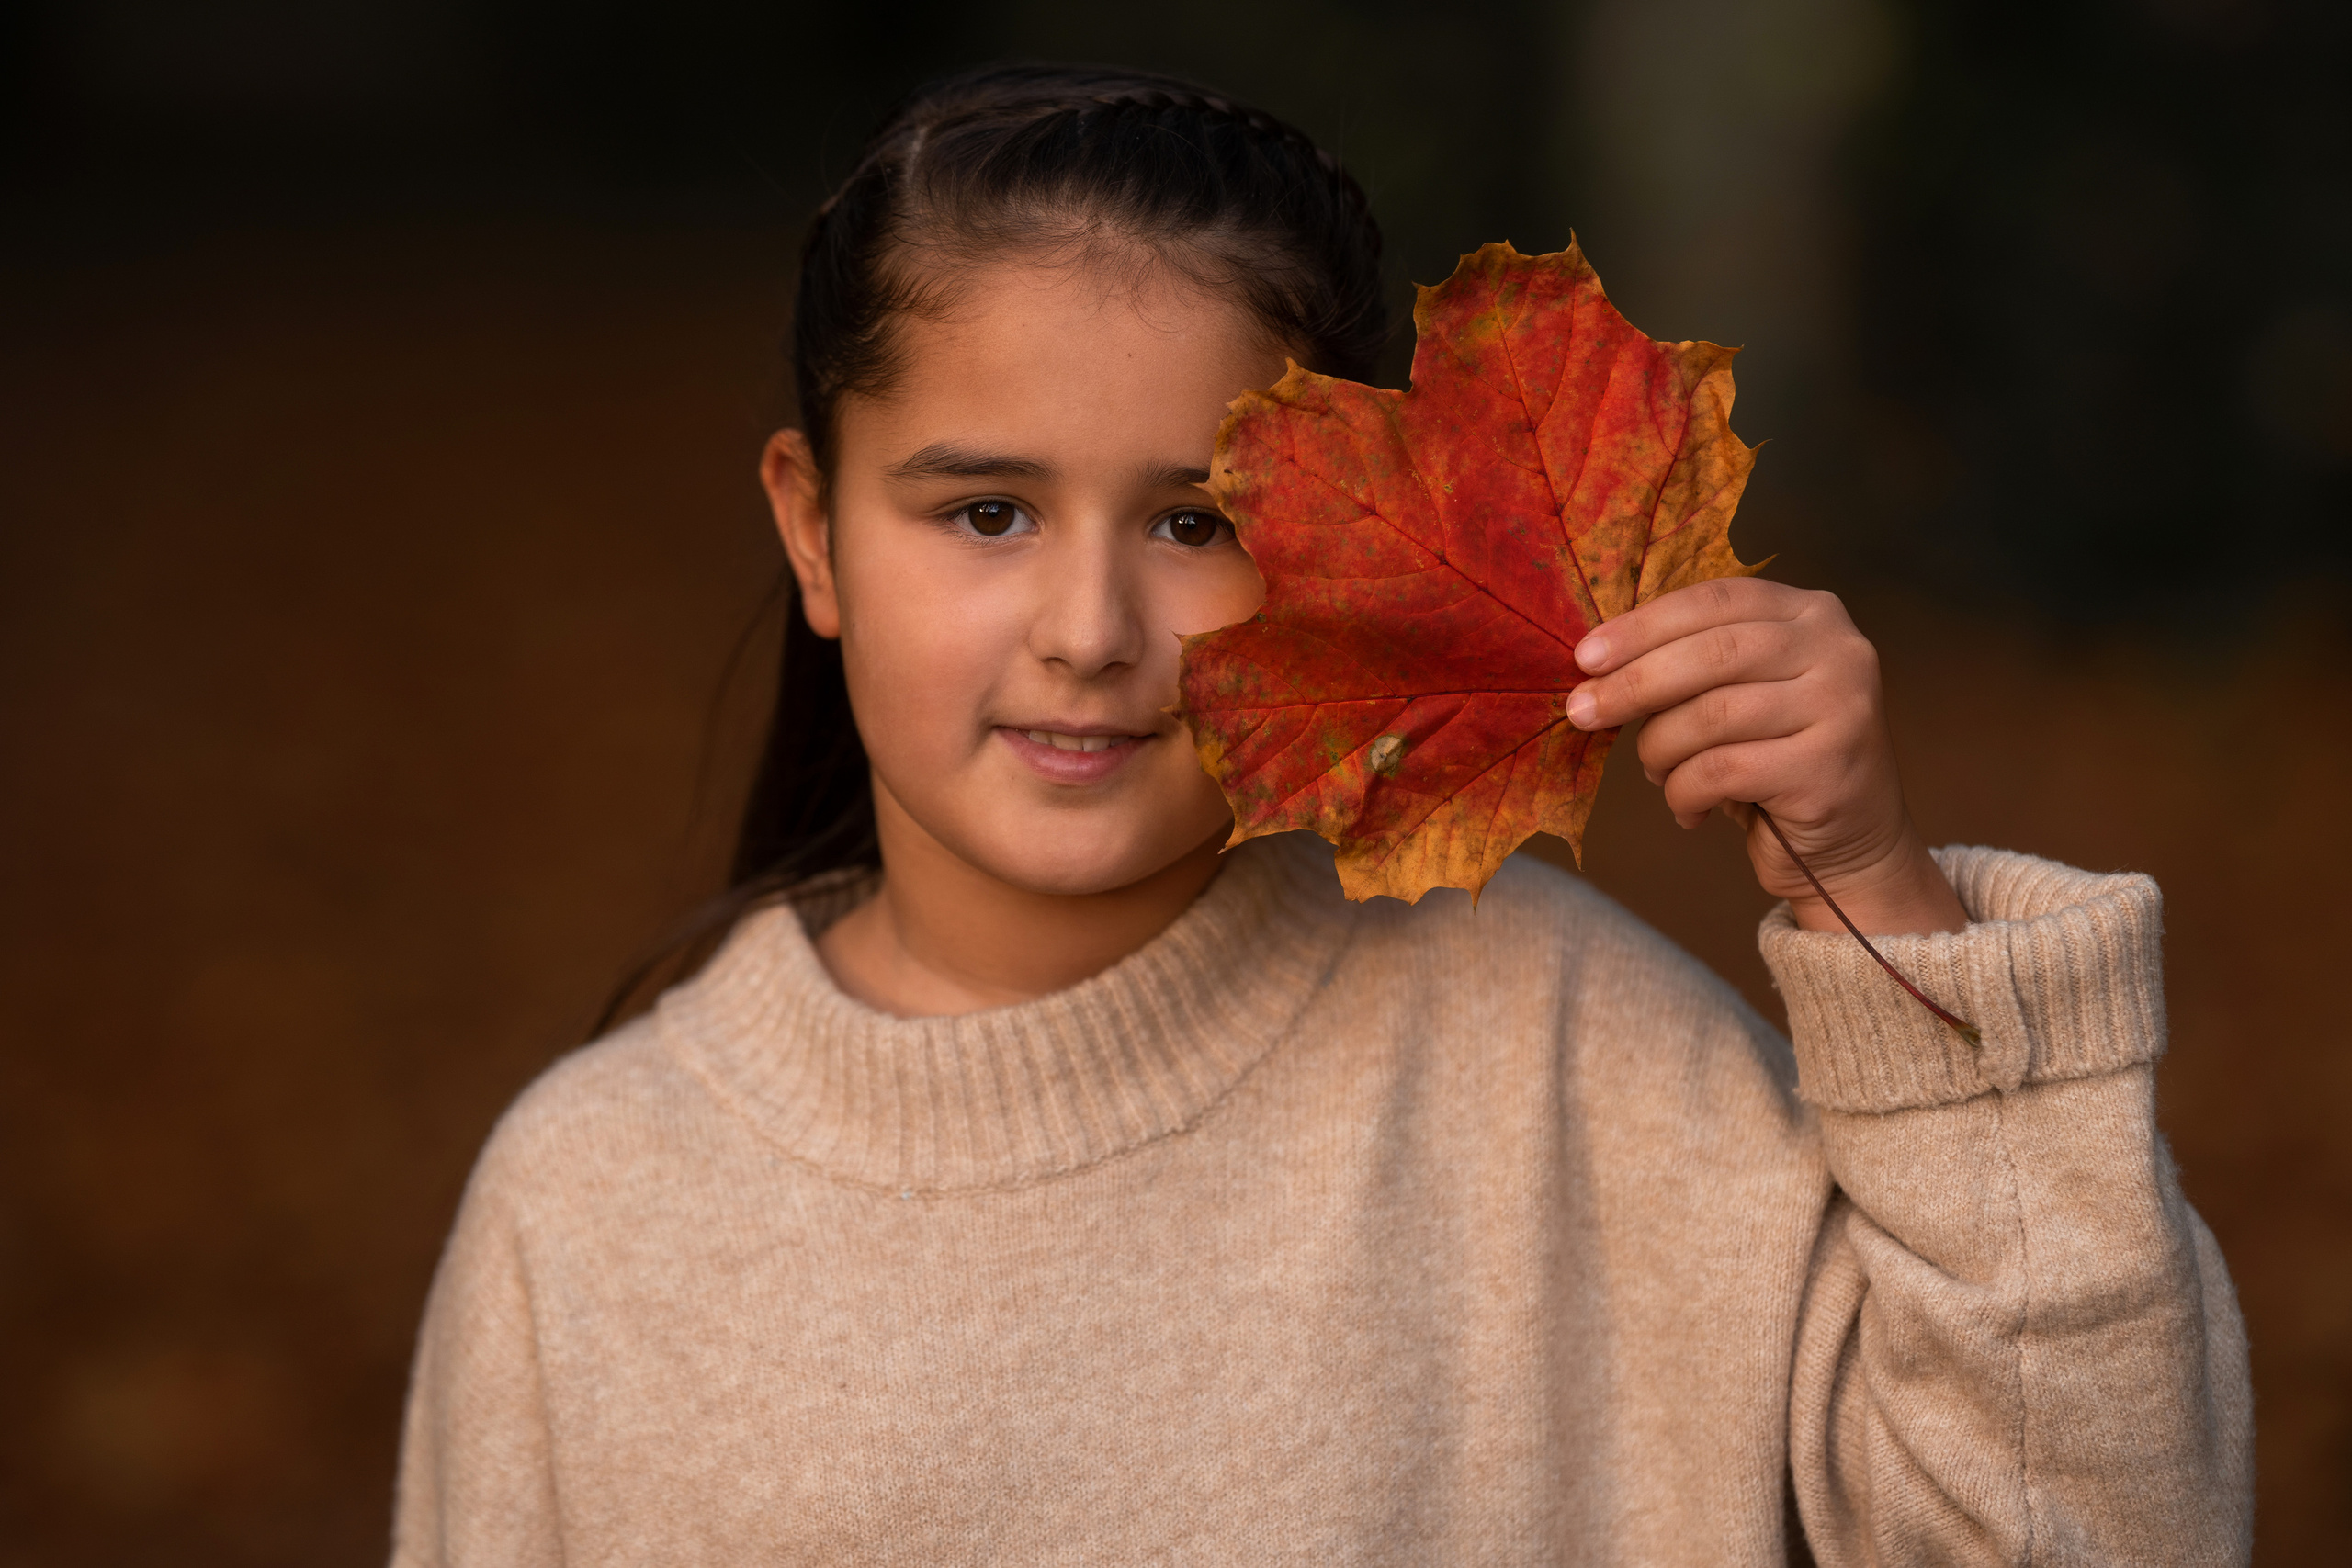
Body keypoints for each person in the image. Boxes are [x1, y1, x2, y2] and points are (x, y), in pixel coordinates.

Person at [390, 62, 2251, 1565]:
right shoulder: (600, 1209)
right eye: (984, 512)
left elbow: (2086, 1532)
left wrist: (1876, 904)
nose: (1088, 631)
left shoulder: (1570, 1061)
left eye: (1196, 520)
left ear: (1351, 542)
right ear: (812, 528)